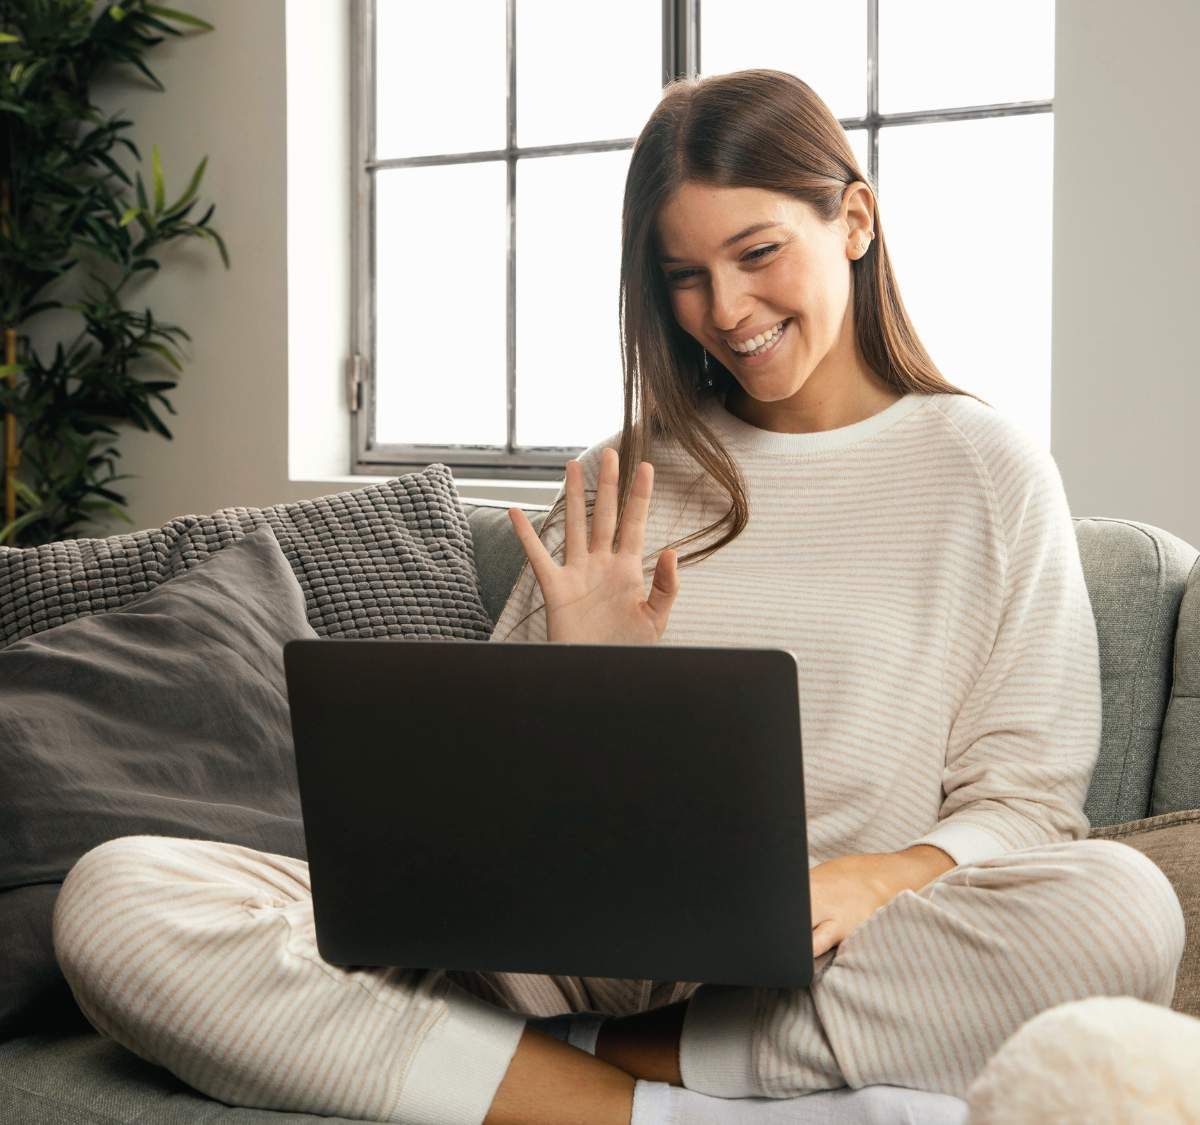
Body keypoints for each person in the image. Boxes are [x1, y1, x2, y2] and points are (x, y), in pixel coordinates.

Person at [51, 69, 1184, 1125]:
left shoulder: (983, 470)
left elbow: (1030, 803)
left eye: (756, 252)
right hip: (538, 954)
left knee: (1121, 910)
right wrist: (575, 672)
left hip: (815, 959)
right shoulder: (621, 473)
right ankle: (629, 1101)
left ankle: (567, 1073)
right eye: (682, 275)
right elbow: (467, 818)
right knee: (118, 897)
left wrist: (872, 877)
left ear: (854, 220)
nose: (724, 308)